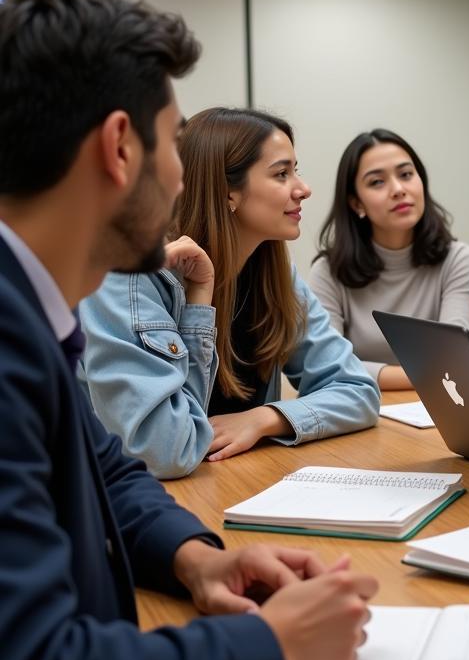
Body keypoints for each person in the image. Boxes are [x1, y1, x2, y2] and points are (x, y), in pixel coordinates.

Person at [0, 0, 378, 660]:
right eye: (174, 143)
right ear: (119, 149)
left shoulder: (31, 310)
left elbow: (110, 469)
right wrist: (269, 648)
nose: (181, 176)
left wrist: (195, 558)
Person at [80, 107, 380, 478]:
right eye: (282, 174)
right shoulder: (130, 275)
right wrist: (199, 302)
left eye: (295, 171)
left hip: (237, 483)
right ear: (227, 193)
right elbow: (165, 450)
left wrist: (265, 418)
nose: (303, 189)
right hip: (141, 506)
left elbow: (358, 391)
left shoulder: (273, 272)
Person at [309, 129, 469, 391]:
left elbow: (456, 359)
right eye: (377, 182)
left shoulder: (456, 259)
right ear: (356, 204)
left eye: (406, 175)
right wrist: (427, 375)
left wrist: (359, 371)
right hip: (359, 409)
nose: (398, 190)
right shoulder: (328, 271)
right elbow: (327, 364)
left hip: (439, 413)